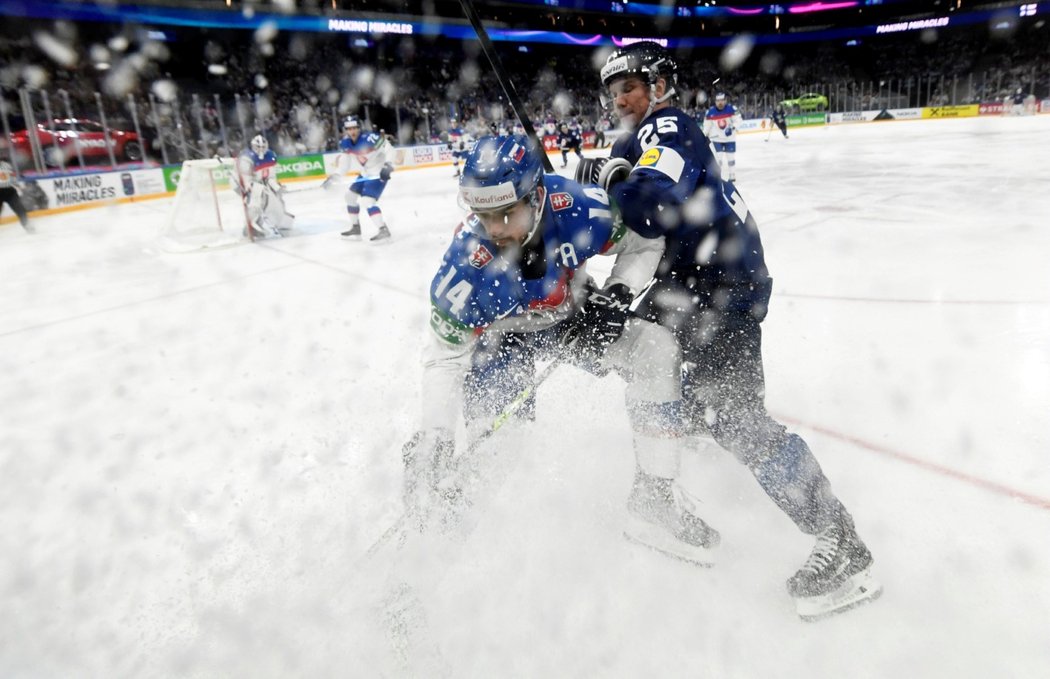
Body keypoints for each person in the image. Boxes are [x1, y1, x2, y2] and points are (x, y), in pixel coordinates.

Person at [590, 40, 880, 620]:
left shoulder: (668, 126)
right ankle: (655, 492)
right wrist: (618, 283)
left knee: (736, 416)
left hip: (726, 286)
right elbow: (643, 234)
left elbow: (649, 204)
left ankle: (842, 541)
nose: (622, 98)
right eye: (614, 90)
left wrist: (611, 182)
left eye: (632, 87)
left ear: (661, 86)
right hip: (688, 283)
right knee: (644, 360)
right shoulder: (634, 141)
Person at [402, 134, 719, 566]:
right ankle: (423, 567)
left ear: (536, 197)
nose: (494, 230)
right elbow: (443, 355)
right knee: (494, 456)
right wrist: (434, 436)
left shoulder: (580, 208)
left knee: (657, 351)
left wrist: (617, 291)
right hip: (499, 341)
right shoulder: (463, 266)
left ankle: (655, 498)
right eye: (482, 215)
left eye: (505, 213)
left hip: (570, 315)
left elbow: (645, 242)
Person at [326, 116, 394, 242]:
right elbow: (344, 164)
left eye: (355, 128)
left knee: (367, 201)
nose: (352, 131)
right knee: (349, 197)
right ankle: (355, 228)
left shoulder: (370, 138)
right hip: (365, 174)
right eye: (349, 129)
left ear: (359, 128)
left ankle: (383, 229)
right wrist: (334, 176)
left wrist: (388, 165)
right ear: (345, 130)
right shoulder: (345, 143)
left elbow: (389, 148)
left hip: (378, 173)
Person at [236, 134, 294, 238]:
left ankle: (278, 222)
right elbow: (244, 176)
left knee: (275, 199)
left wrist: (277, 188)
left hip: (260, 183)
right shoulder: (246, 157)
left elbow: (270, 176)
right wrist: (248, 185)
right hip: (243, 183)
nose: (261, 149)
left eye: (263, 147)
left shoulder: (270, 156)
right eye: (258, 147)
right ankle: (249, 224)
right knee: (257, 198)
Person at [703, 92, 743, 181]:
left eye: (722, 100)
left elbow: (738, 120)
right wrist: (704, 135)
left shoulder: (732, 109)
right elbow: (707, 126)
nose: (720, 102)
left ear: (725, 100)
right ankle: (718, 176)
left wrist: (732, 127)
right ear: (715, 101)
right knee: (718, 158)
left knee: (731, 158)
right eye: (718, 101)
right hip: (716, 138)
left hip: (729, 138)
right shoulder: (710, 112)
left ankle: (732, 175)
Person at [0, 157, 33, 233]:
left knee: (20, 210)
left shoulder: (6, 165)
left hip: (10, 192)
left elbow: (12, 177)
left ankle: (28, 225)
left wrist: (18, 186)